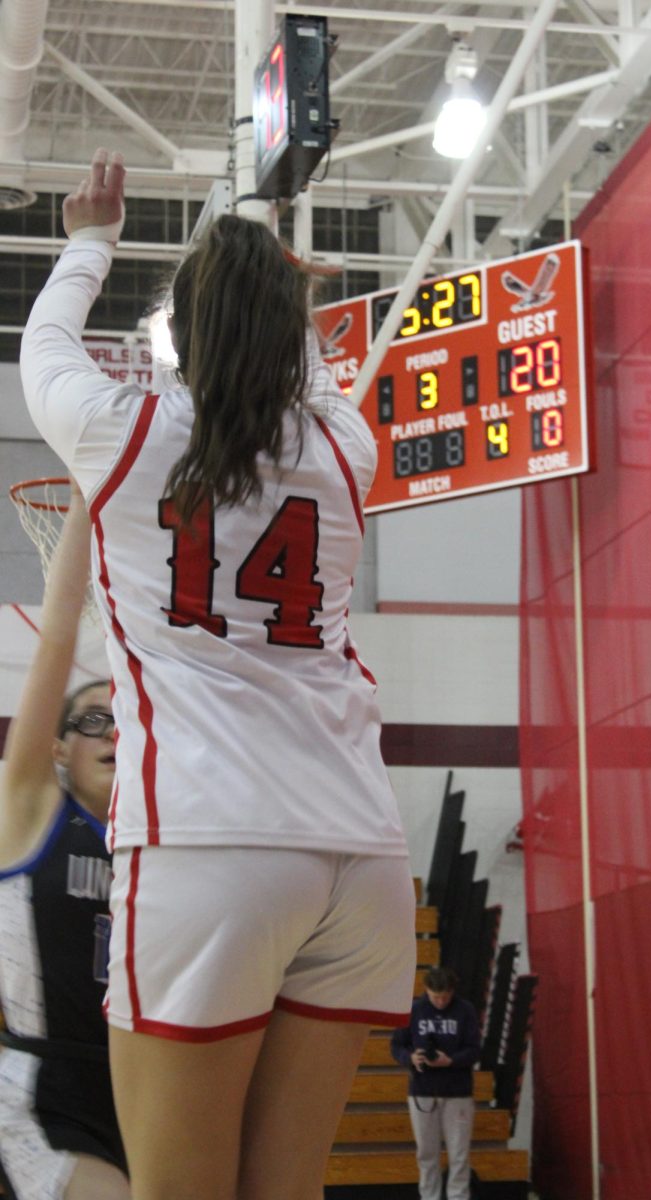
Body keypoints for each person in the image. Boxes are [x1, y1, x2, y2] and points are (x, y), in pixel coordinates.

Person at [20, 147, 417, 1200]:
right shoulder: (344, 448)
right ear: (290, 333)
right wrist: (286, 301)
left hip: (210, 845)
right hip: (360, 853)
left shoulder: (124, 428)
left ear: (177, 334)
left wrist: (91, 238)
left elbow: (46, 342)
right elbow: (316, 374)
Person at [0, 481, 129, 1199]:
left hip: (141, 1084)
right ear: (55, 749)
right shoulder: (30, 812)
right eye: (89, 723)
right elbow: (56, 639)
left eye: (123, 723)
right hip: (42, 1084)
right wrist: (89, 492)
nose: (111, 733)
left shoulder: (153, 841)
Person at [391, 966, 481, 1200]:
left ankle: (458, 1196)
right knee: (426, 1152)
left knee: (459, 1153)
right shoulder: (415, 1009)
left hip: (458, 1091)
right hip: (422, 1090)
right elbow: (396, 1045)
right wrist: (410, 1058)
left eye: (445, 996)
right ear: (426, 990)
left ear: (452, 991)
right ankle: (429, 1196)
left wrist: (451, 1060)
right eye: (435, 996)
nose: (440, 1001)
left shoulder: (465, 1010)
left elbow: (474, 1049)